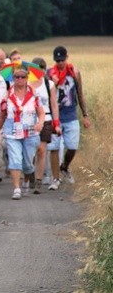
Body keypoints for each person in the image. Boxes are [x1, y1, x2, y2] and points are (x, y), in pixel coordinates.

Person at [0, 63, 45, 200]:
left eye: (23, 77)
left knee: (28, 164)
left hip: (30, 133)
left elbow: (41, 112)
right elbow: (2, 116)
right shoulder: (7, 96)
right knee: (15, 160)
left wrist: (40, 122)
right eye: (17, 77)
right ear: (13, 78)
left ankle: (26, 181)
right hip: (12, 133)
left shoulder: (34, 94)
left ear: (27, 78)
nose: (20, 79)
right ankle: (16, 188)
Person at [47, 46, 91, 190]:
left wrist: (85, 115)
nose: (60, 63)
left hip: (71, 114)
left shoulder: (74, 73)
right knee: (54, 148)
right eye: (57, 60)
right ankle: (55, 178)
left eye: (62, 59)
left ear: (67, 57)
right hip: (55, 116)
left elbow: (80, 93)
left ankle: (64, 167)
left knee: (72, 147)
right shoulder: (49, 74)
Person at [30, 57, 61, 194]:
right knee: (30, 151)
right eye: (36, 68)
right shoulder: (27, 83)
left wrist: (56, 123)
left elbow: (54, 104)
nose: (39, 71)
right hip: (30, 119)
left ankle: (38, 180)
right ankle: (29, 174)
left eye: (41, 68)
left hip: (46, 118)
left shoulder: (49, 85)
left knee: (41, 150)